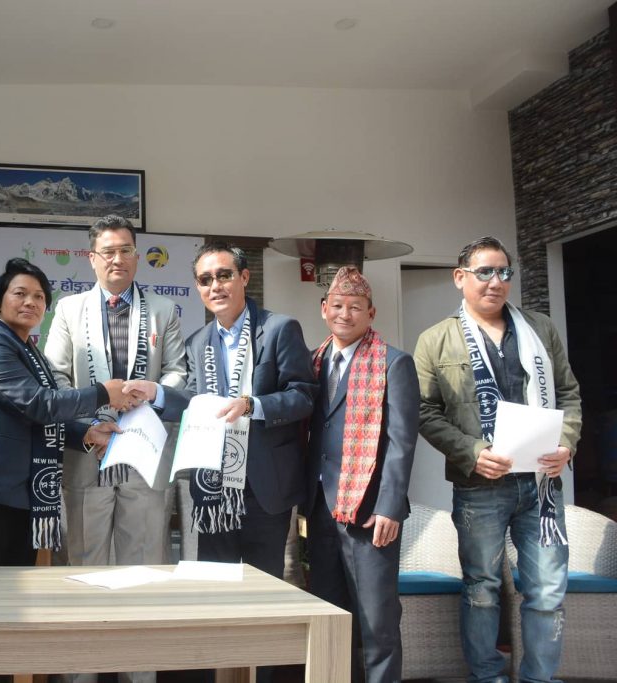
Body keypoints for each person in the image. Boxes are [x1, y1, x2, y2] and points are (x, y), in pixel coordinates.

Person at [414, 236, 581, 683]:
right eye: (484, 271)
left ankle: (539, 678)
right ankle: (487, 676)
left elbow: (568, 393)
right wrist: (471, 452)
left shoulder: (540, 329)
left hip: (541, 486)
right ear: (460, 278)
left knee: (547, 590)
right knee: (482, 589)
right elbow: (424, 411)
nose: (496, 281)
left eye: (504, 272)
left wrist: (567, 443)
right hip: (480, 487)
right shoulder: (435, 340)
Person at [144, 243, 318, 579]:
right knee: (215, 586)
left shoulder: (279, 329)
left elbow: (303, 396)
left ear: (244, 277)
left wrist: (253, 405)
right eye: (205, 279)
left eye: (224, 275)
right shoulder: (198, 342)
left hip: (264, 484)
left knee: (264, 585)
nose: (215, 286)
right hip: (213, 484)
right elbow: (194, 401)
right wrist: (157, 393)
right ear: (198, 287)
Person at [0, 258, 128, 566]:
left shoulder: (31, 353)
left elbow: (36, 419)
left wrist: (87, 433)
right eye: (20, 293)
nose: (31, 302)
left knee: (20, 590)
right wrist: (103, 394)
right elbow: (38, 404)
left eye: (39, 296)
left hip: (19, 496)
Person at [44, 215, 187, 569]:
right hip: (88, 451)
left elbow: (177, 372)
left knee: (144, 565)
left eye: (126, 250)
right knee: (83, 564)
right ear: (92, 258)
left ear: (137, 256)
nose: (117, 259)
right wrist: (88, 427)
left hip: (145, 453)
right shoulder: (68, 309)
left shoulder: (163, 310)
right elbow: (56, 376)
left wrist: (153, 394)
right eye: (108, 252)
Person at [306, 266, 418, 683]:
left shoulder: (394, 363)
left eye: (355, 307)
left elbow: (402, 441)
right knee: (330, 615)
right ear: (324, 309)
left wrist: (390, 506)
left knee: (377, 621)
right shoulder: (312, 362)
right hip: (320, 509)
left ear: (371, 313)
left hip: (370, 513)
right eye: (337, 305)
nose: (345, 314)